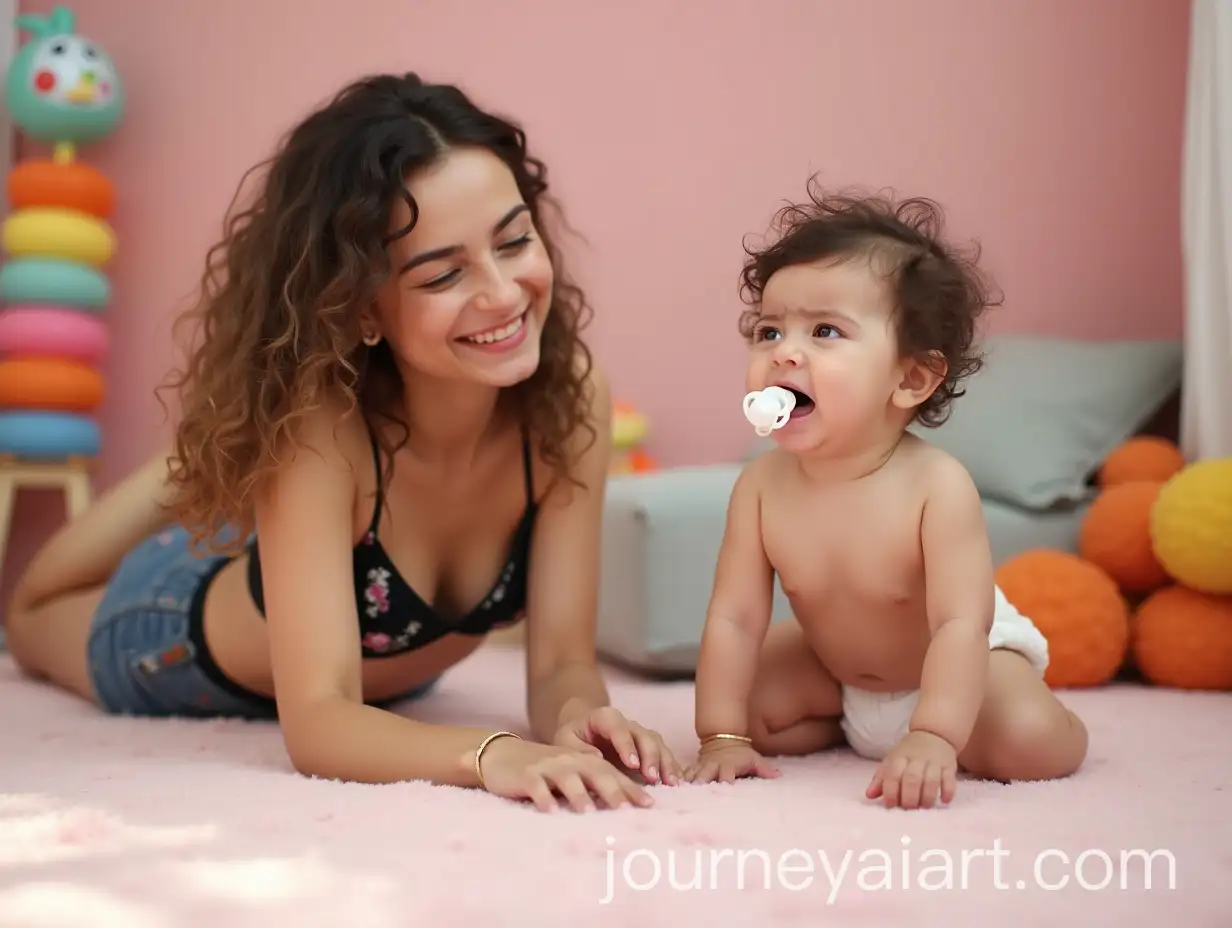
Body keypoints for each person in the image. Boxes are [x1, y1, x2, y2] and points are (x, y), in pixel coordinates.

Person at [5, 72, 683, 813]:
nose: (502, 293)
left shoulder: (567, 396)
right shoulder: (320, 434)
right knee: (31, 607)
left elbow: (559, 664)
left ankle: (228, 469)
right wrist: (492, 754)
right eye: (443, 274)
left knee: (284, 490)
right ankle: (208, 459)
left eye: (514, 240)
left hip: (303, 556)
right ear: (361, 308)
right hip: (168, 632)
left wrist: (579, 720)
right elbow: (322, 721)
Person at [684, 185, 1088, 809]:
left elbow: (960, 622)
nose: (784, 352)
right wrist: (721, 734)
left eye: (824, 331)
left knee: (1030, 743)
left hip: (954, 666)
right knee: (745, 705)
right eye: (769, 331)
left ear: (910, 378)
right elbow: (735, 619)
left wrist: (933, 733)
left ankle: (1020, 727)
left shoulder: (936, 485)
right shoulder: (761, 487)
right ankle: (854, 727)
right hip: (835, 668)